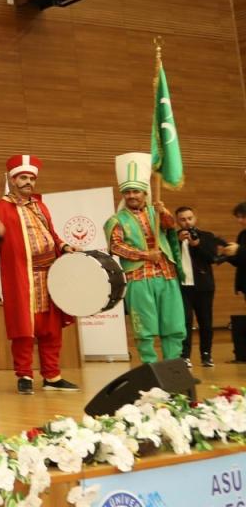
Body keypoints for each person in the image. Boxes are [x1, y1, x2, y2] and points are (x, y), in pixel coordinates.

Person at [0, 155, 80, 395]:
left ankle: (52, 376)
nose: (28, 182)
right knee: (24, 329)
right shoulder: (1, 207)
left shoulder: (40, 206)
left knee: (51, 328)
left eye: (31, 178)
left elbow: (52, 233)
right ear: (13, 180)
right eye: (23, 178)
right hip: (21, 276)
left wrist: (64, 246)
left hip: (49, 274)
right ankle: (24, 375)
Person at [104, 153, 184, 364]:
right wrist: (146, 255)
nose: (131, 195)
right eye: (127, 192)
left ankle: (173, 364)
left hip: (166, 275)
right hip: (139, 278)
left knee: (173, 324)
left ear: (144, 193)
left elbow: (170, 227)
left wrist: (163, 211)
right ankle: (150, 366)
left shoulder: (156, 211)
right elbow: (116, 247)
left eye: (136, 191)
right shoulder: (116, 220)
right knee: (144, 328)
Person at [174, 206, 226, 368]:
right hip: (182, 286)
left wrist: (196, 244)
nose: (187, 222)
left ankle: (206, 355)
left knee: (206, 322)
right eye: (182, 219)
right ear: (177, 221)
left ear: (195, 218)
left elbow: (212, 258)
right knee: (184, 322)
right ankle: (185, 356)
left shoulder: (207, 236)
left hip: (204, 286)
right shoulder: (173, 238)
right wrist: (177, 241)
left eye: (189, 218)